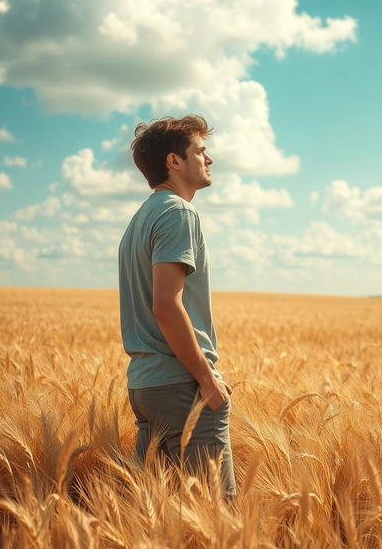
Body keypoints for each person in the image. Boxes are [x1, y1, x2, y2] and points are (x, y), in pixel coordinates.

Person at [118, 114, 236, 500]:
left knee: (160, 514)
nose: (209, 159)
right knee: (217, 516)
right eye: (200, 151)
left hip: (146, 385)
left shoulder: (140, 219)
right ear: (174, 161)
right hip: (180, 387)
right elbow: (166, 306)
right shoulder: (178, 212)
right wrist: (206, 379)